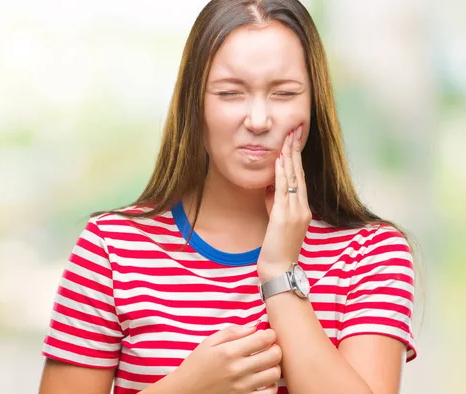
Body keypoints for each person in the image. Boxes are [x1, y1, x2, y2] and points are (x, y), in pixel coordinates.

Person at [38, 1, 417, 393]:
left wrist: (280, 276)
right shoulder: (112, 247)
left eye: (284, 93)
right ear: (194, 104)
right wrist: (189, 387)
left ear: (313, 104)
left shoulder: (371, 254)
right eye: (230, 93)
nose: (257, 120)